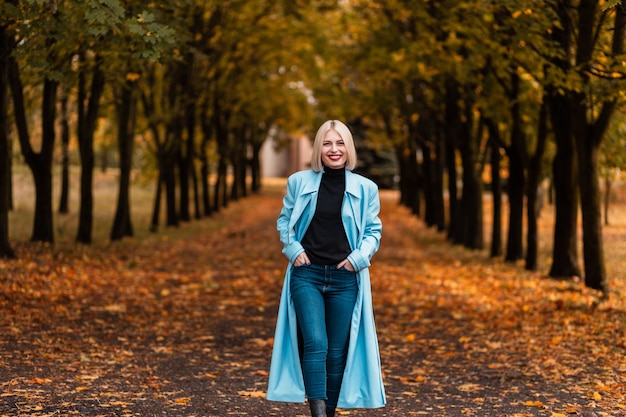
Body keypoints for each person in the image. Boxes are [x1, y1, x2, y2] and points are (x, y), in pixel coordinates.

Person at [266, 120, 386, 417]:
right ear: (319, 148)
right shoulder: (298, 182)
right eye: (328, 143)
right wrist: (293, 249)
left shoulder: (366, 188)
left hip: (346, 278)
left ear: (349, 148)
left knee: (336, 353)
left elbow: (373, 230)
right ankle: (318, 412)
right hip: (307, 274)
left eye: (340, 143)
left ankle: (327, 412)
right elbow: (285, 221)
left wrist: (359, 258)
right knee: (315, 342)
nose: (334, 150)